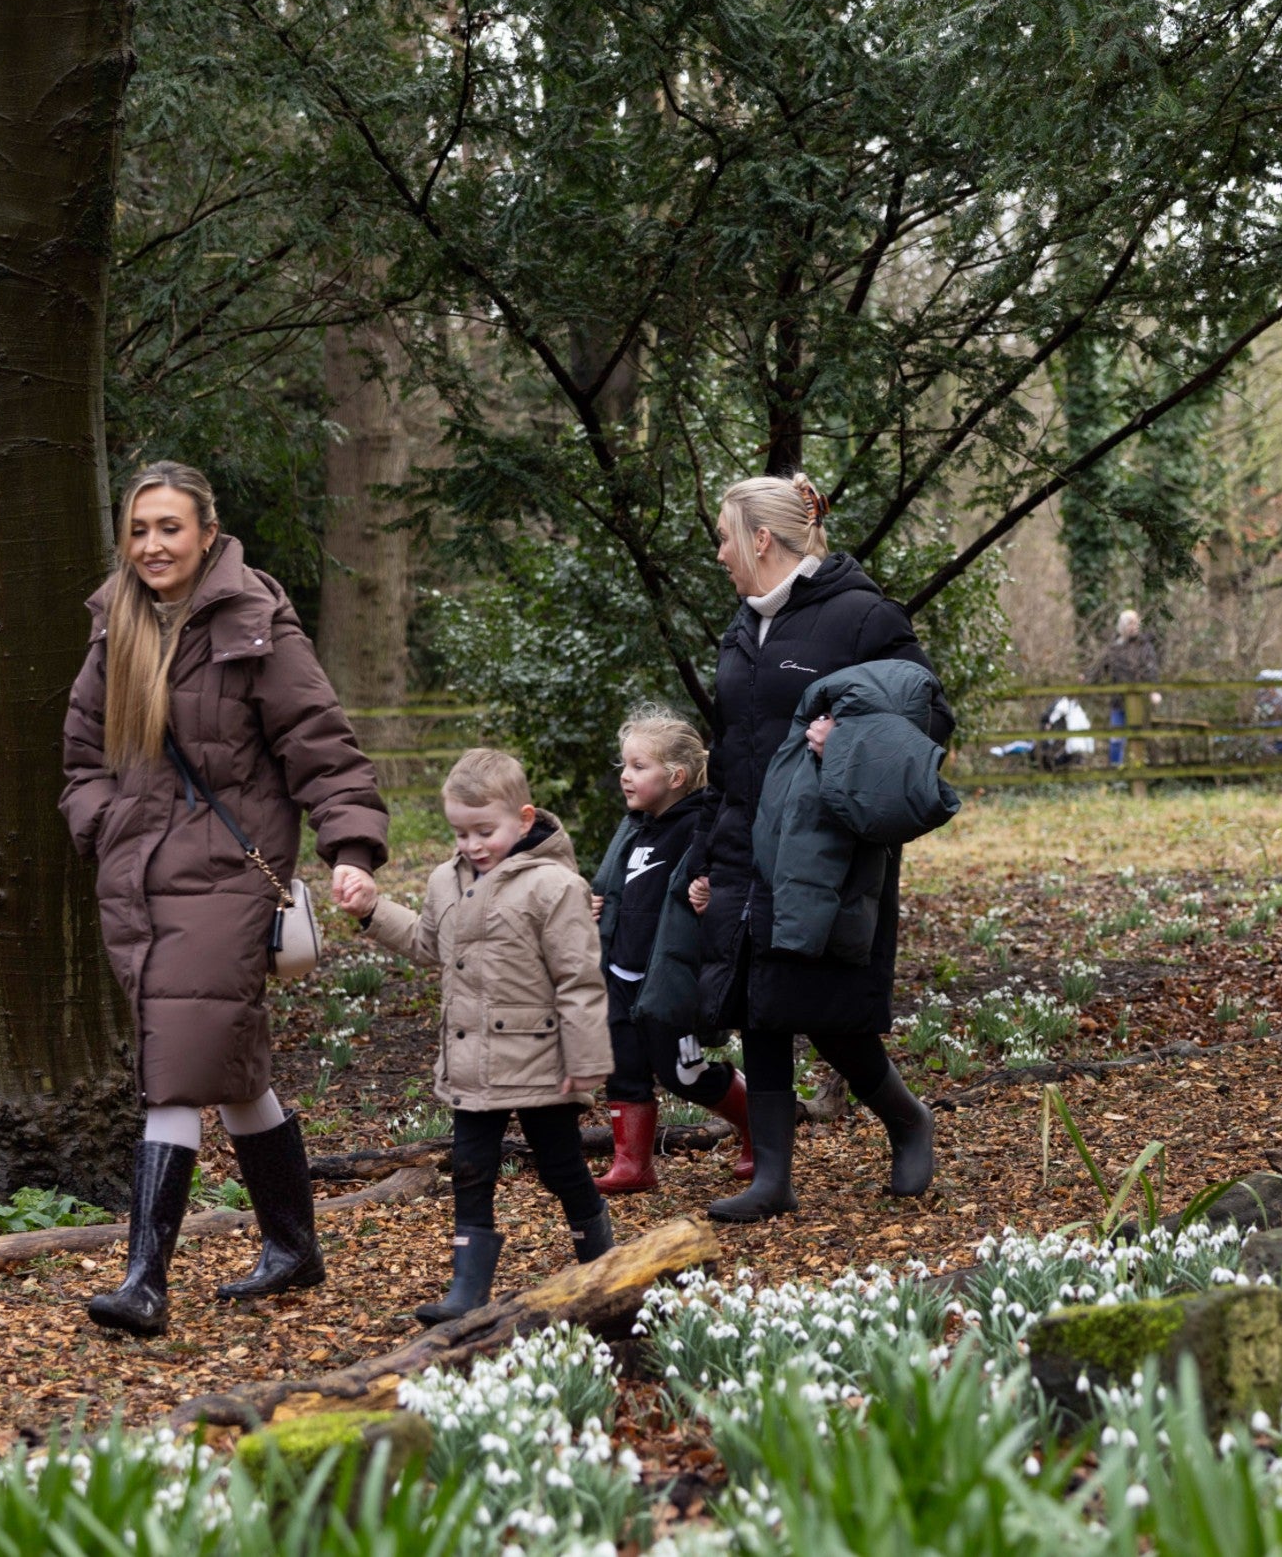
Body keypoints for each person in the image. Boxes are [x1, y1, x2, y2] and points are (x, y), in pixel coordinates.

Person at [60, 462, 389, 1338]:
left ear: (208, 532)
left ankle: (144, 1281)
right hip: (138, 877)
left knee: (173, 1062)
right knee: (230, 1069)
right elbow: (81, 760)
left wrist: (351, 847)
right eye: (139, 530)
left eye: (170, 528)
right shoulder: (113, 628)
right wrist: (104, 823)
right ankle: (292, 1246)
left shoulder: (257, 627)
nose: (152, 546)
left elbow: (322, 744)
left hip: (231, 878)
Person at [683, 475, 955, 1225]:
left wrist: (850, 741)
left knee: (830, 1007)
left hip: (825, 845)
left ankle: (906, 1118)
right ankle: (773, 1178)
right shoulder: (742, 628)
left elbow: (929, 714)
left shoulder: (861, 616)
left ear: (761, 540)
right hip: (744, 838)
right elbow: (730, 745)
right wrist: (708, 849)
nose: (719, 554)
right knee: (757, 1003)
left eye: (724, 537)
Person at [337, 750, 614, 1323]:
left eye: (485, 831)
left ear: (524, 818)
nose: (472, 845)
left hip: (540, 1062)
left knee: (561, 1167)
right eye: (460, 833)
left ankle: (602, 1266)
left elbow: (579, 979)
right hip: (471, 1062)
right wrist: (372, 910)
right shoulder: (446, 880)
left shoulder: (554, 886)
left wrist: (587, 1061)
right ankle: (467, 1290)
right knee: (469, 1168)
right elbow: (426, 942)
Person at [587, 708, 752, 1194]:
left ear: (676, 776)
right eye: (624, 764)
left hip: (669, 977)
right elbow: (618, 887)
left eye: (638, 766)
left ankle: (761, 1128)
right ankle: (633, 1164)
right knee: (623, 1066)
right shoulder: (635, 826)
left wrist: (710, 897)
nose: (625, 775)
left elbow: (725, 882)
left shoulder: (700, 827)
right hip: (622, 972)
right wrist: (598, 901)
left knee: (683, 1072)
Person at [1088, 608, 1164, 768]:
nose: (1134, 626)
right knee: (1116, 738)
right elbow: (1099, 669)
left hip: (1140, 700)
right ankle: (1116, 771)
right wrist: (1087, 681)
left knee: (1140, 737)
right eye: (1130, 623)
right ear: (1122, 627)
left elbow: (1151, 669)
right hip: (1118, 701)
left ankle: (1144, 770)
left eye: (1136, 623)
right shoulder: (1114, 648)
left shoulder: (1144, 646)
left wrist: (1154, 690)